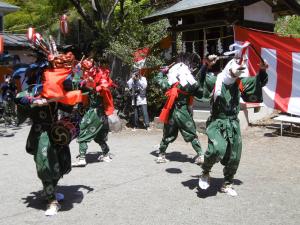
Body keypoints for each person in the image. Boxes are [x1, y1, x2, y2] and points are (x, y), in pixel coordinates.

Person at [15, 52, 82, 216]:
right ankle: (52, 200)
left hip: (56, 132)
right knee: (45, 166)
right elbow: (19, 98)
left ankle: (50, 191)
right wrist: (34, 101)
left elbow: (67, 106)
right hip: (40, 134)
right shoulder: (33, 91)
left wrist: (72, 103)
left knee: (60, 164)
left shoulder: (56, 92)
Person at [198, 45, 269, 197]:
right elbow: (199, 82)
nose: (238, 72)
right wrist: (205, 65)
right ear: (229, 67)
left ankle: (227, 183)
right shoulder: (215, 81)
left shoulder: (240, 82)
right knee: (216, 149)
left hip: (233, 123)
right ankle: (205, 171)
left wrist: (262, 70)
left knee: (235, 156)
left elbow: (259, 82)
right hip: (217, 121)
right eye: (236, 68)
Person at [154, 53, 205, 164]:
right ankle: (200, 154)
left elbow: (158, 80)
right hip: (183, 111)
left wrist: (162, 72)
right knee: (191, 132)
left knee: (167, 134)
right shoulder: (190, 83)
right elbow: (200, 92)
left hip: (171, 110)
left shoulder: (170, 82)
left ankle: (161, 155)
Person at [72, 58, 115, 167]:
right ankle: (106, 155)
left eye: (88, 70)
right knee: (98, 136)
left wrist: (86, 82)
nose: (87, 73)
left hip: (95, 112)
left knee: (83, 131)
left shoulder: (99, 83)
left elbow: (85, 86)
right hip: (99, 113)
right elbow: (81, 85)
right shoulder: (96, 82)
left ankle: (82, 158)